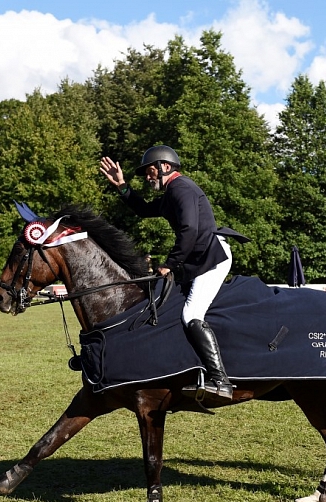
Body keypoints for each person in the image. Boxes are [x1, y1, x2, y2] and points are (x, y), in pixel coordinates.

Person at [100, 145, 248, 404]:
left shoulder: (182, 188)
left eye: (149, 171)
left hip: (211, 259)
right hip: (197, 259)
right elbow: (144, 210)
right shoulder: (172, 193)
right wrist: (122, 186)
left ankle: (221, 382)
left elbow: (189, 230)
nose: (147, 177)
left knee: (191, 314)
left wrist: (170, 263)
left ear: (164, 167)